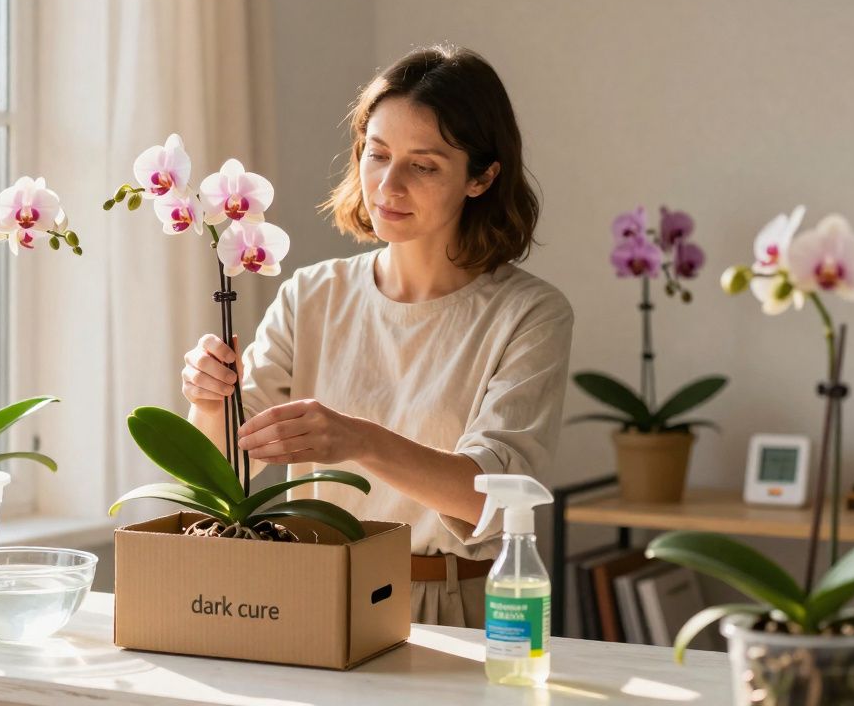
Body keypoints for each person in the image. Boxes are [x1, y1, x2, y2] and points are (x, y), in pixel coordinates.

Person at [181, 45, 574, 627]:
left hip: (449, 609)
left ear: (482, 177)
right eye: (378, 153)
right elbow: (221, 472)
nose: (388, 185)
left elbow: (492, 497)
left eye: (424, 166)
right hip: (310, 598)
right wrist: (210, 399)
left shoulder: (529, 313)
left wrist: (359, 440)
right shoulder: (311, 295)